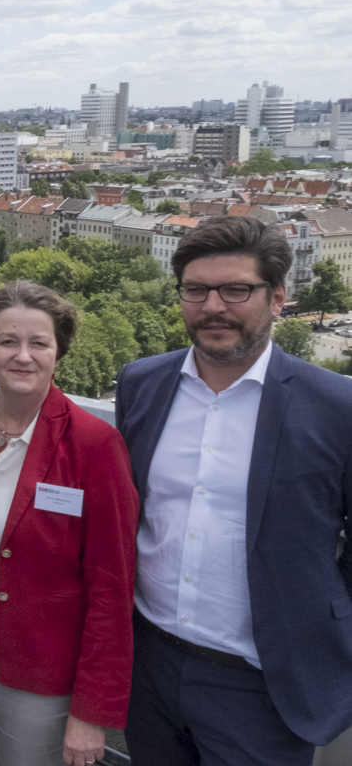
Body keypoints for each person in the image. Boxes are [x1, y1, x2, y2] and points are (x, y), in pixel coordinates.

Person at [116, 215, 352, 766]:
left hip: (263, 684)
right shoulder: (141, 384)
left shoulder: (335, 407)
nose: (213, 306)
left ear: (277, 297)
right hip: (149, 665)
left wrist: (320, 619)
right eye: (196, 290)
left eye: (236, 290)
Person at [0, 280, 139, 766]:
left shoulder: (94, 445)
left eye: (39, 343)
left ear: (59, 353)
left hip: (41, 658)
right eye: (7, 341)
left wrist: (92, 711)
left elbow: (112, 585)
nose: (22, 356)